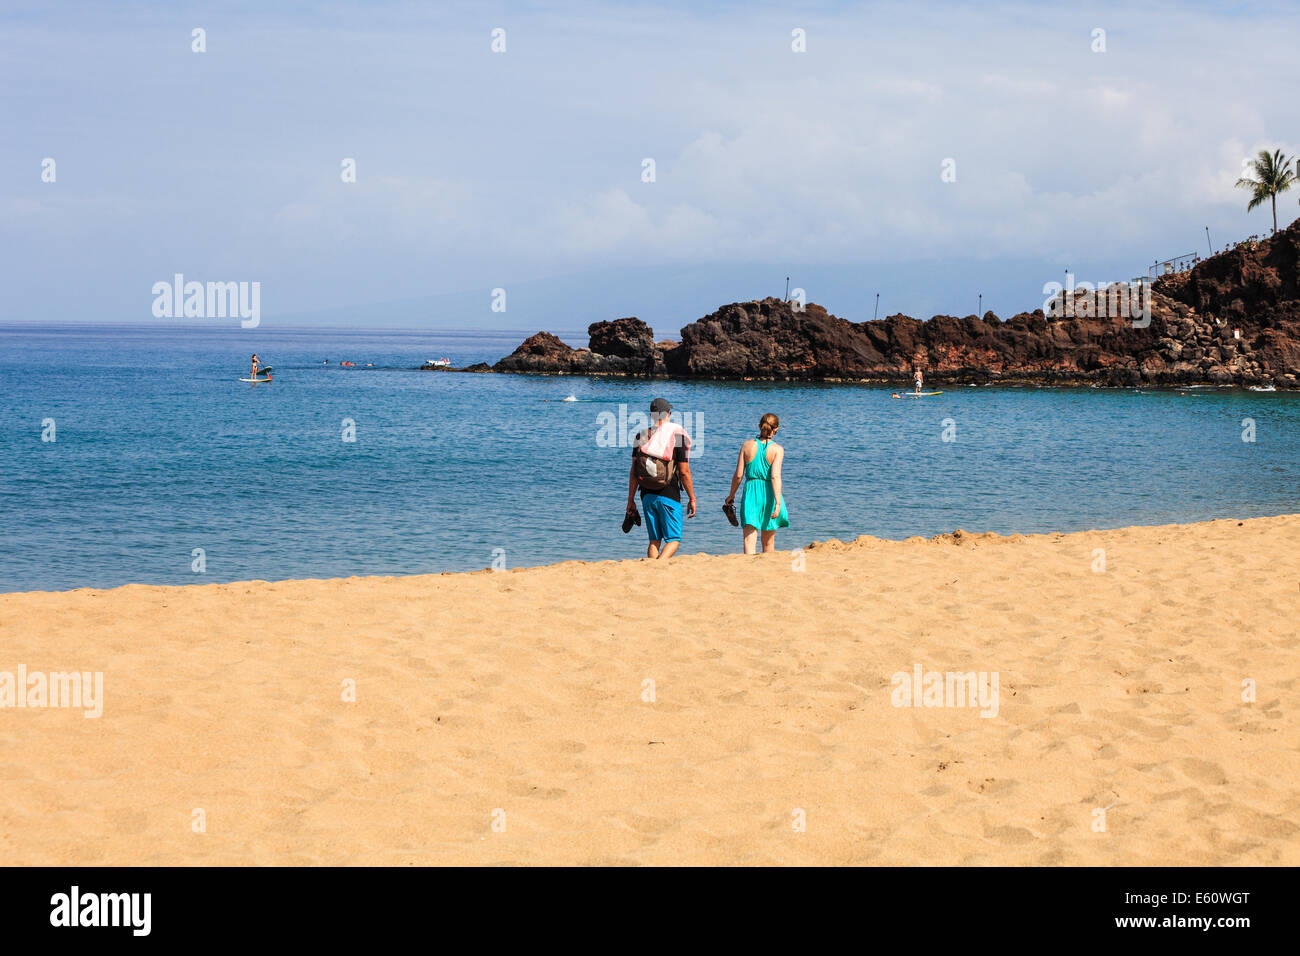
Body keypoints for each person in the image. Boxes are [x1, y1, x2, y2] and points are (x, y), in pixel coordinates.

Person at [626, 397, 696, 559]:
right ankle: (658, 566)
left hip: (647, 495)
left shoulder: (640, 436)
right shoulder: (677, 436)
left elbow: (633, 472)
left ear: (652, 416)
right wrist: (692, 498)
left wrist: (630, 500)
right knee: (673, 539)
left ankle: (652, 568)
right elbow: (684, 472)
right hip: (668, 493)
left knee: (654, 540)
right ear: (668, 414)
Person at [724, 413, 789, 554]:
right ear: (776, 429)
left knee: (749, 539)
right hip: (770, 493)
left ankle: (748, 570)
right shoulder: (778, 449)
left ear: (759, 426)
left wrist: (731, 495)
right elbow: (775, 477)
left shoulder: (747, 446)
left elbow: (739, 475)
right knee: (768, 542)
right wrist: (778, 503)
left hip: (751, 493)